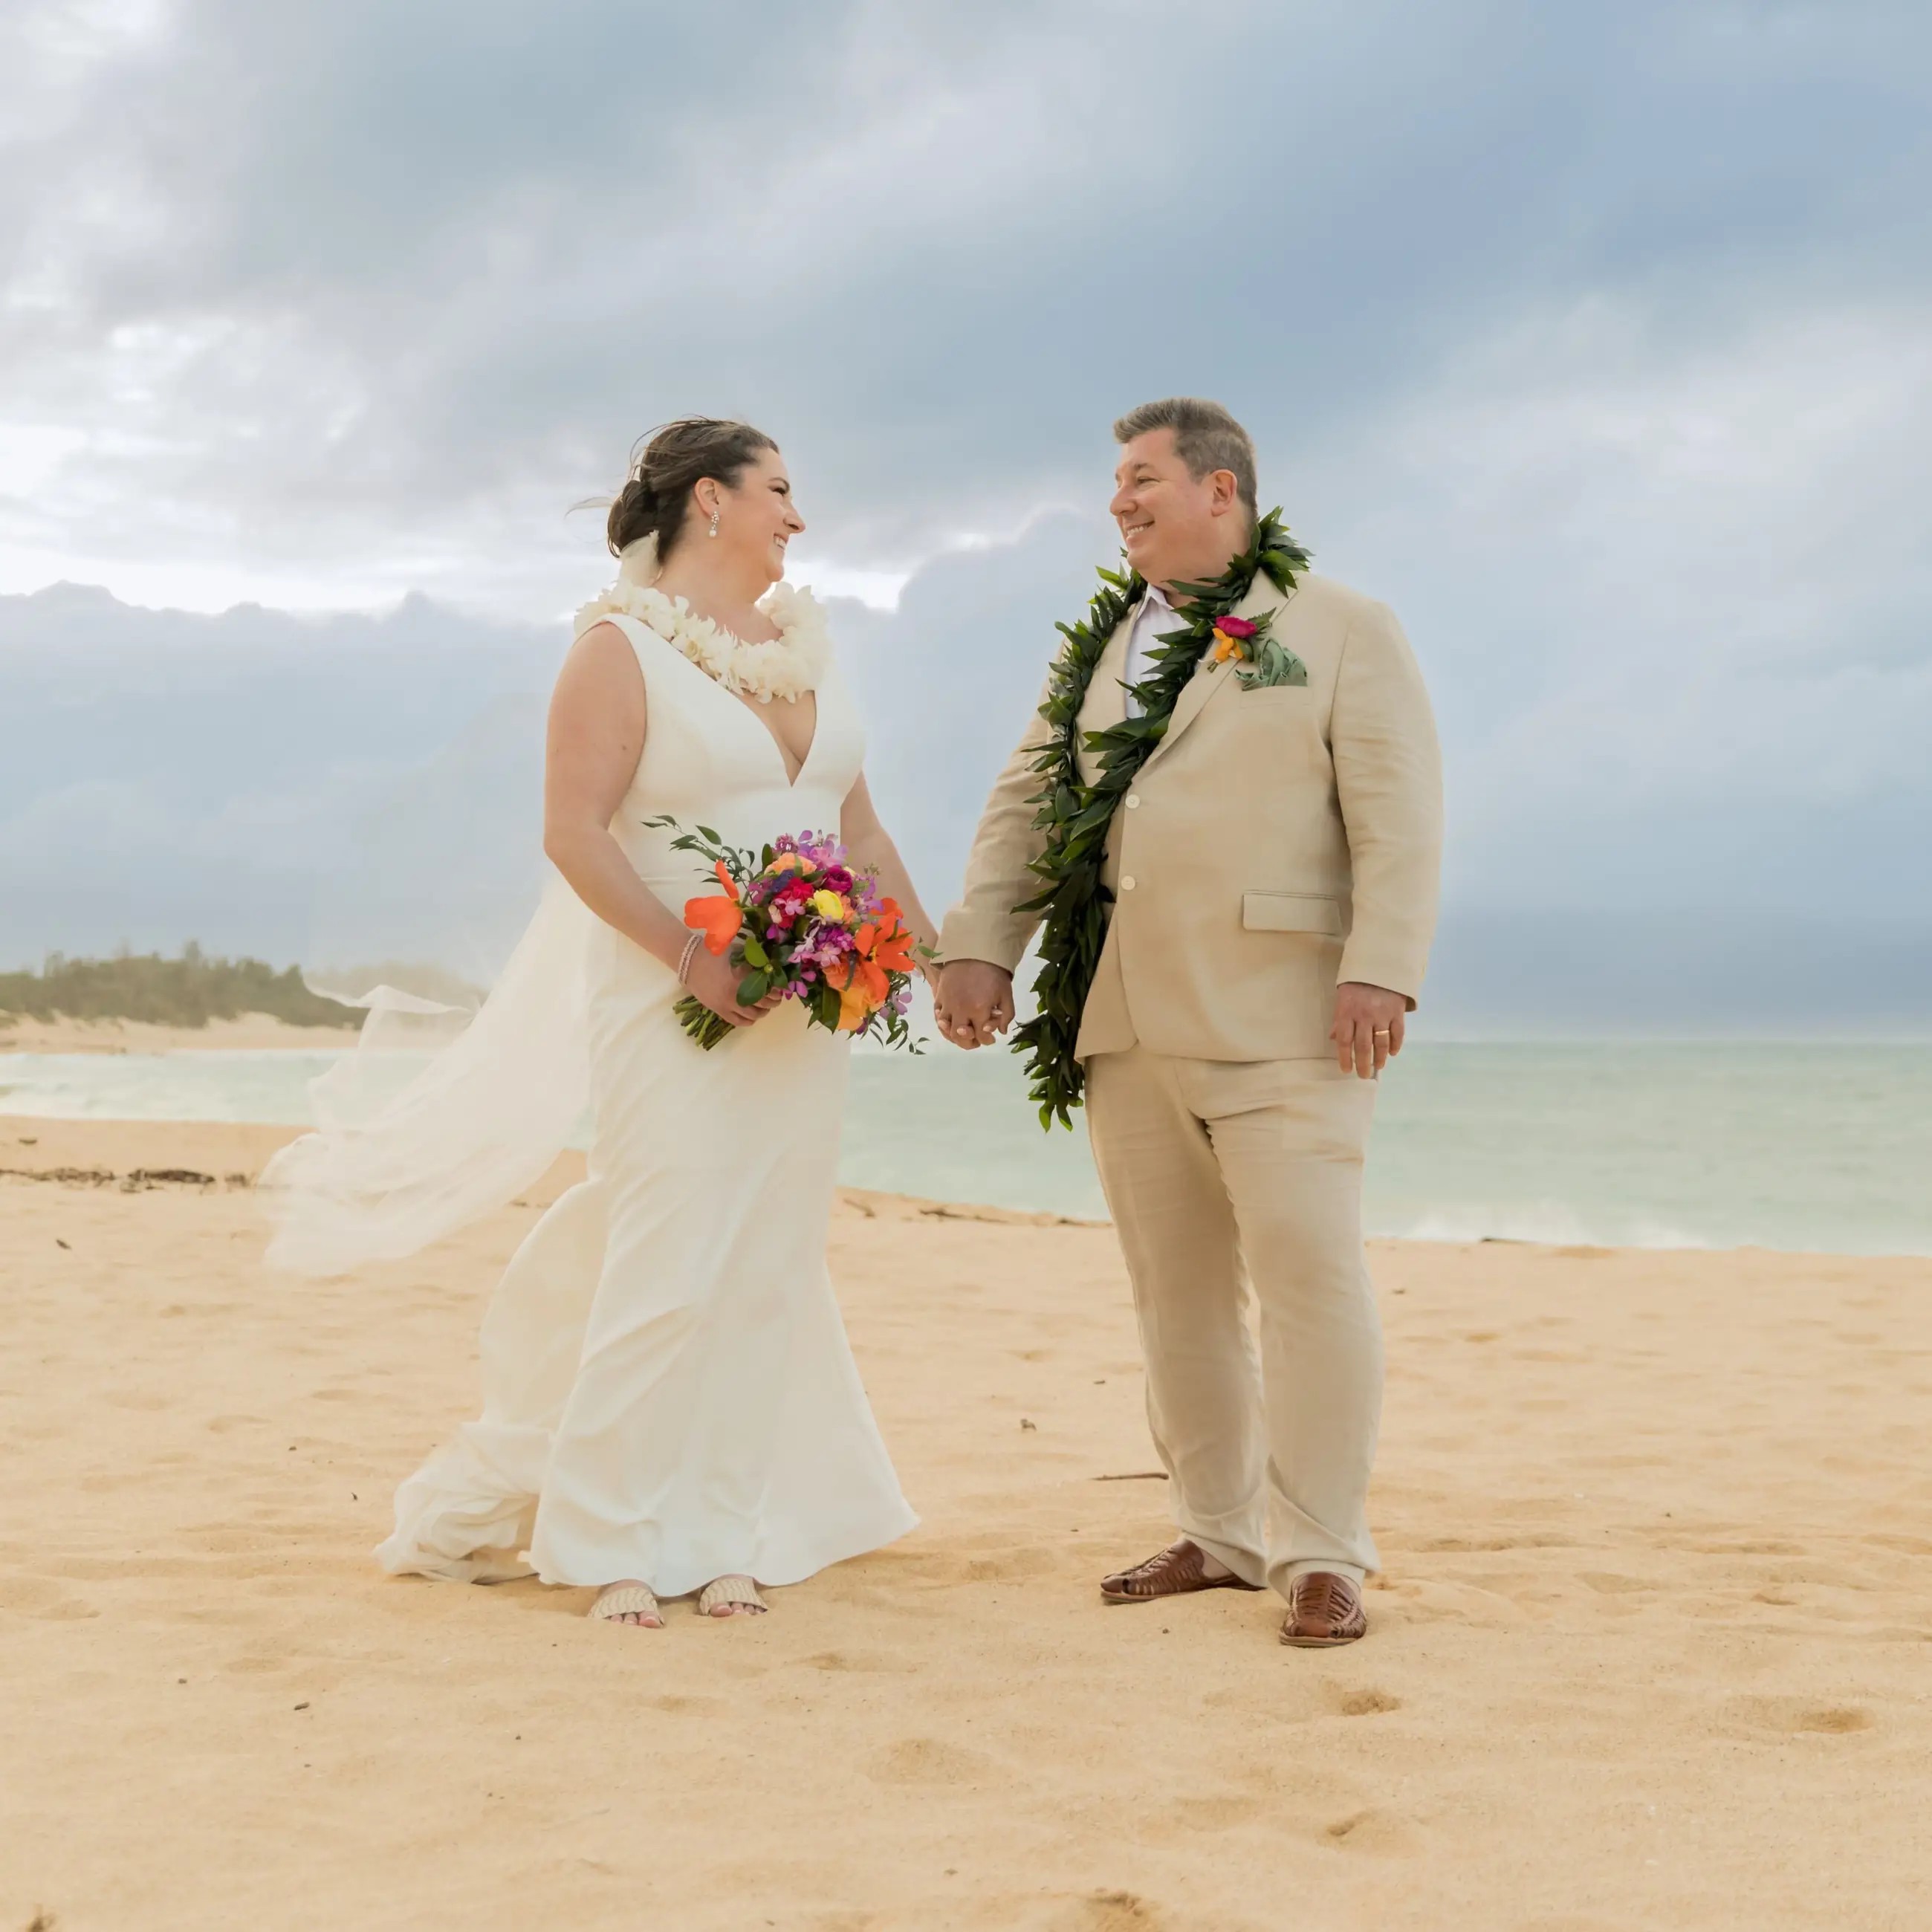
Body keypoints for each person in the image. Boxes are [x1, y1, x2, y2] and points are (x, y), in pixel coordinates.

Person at [264, 418, 933, 1628]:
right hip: (672, 1001)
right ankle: (611, 1536)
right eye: (780, 489)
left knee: (765, 1271)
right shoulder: (618, 650)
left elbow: (861, 835)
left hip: (804, 1014)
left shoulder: (804, 652)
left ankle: (721, 1531)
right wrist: (692, 956)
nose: (798, 515)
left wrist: (924, 957)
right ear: (709, 504)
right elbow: (573, 832)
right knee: (667, 1264)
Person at [934, 397, 1442, 1647]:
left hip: (1291, 1024)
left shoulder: (1340, 629)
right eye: (1116, 481)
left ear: (1222, 491)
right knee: (1177, 1297)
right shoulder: (1100, 650)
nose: (1119, 499)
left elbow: (1400, 819)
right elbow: (1024, 804)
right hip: (1129, 1022)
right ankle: (1220, 1533)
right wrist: (979, 945)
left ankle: (1323, 1552)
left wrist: (1381, 967)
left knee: (1311, 1283)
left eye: (1142, 477)